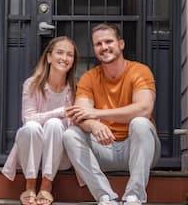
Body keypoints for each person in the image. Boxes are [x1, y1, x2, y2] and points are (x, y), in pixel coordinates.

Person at [63, 23, 158, 205]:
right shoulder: (89, 77)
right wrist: (94, 124)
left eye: (109, 41)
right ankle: (106, 197)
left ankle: (134, 197)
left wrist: (98, 113)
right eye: (98, 44)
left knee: (140, 123)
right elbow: (80, 114)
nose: (104, 47)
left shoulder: (139, 71)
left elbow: (144, 109)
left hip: (138, 149)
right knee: (70, 134)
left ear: (121, 44)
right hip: (104, 148)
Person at [1, 36, 79, 205]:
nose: (64, 58)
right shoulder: (32, 84)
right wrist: (60, 112)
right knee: (31, 127)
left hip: (59, 156)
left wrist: (58, 117)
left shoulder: (75, 89)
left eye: (69, 55)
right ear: (49, 57)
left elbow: (73, 126)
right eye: (60, 53)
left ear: (73, 61)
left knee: (55, 124)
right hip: (31, 153)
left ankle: (46, 186)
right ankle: (30, 186)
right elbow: (28, 118)